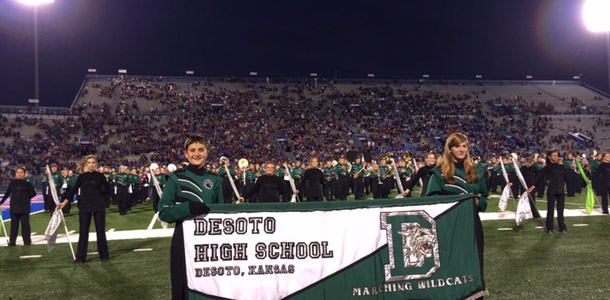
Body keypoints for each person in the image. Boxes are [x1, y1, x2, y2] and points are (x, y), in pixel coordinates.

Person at [158, 135, 223, 300]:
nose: (197, 154)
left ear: (207, 153)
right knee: (182, 284)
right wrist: (187, 208)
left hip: (209, 240)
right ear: (186, 154)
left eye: (201, 150)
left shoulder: (215, 180)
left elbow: (222, 213)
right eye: (192, 150)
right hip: (183, 239)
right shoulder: (175, 178)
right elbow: (164, 212)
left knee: (210, 284)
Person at [426, 133, 487, 296]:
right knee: (451, 266)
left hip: (473, 225)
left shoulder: (476, 171)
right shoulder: (439, 173)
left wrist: (477, 203)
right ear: (450, 149)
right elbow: (430, 200)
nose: (461, 149)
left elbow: (484, 198)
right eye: (457, 146)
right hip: (449, 227)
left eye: (464, 146)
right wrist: (453, 202)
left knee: (475, 265)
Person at [58, 155, 111, 263]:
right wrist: (64, 203)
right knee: (83, 232)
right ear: (86, 165)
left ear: (96, 164)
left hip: (98, 207)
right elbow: (73, 190)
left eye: (93, 162)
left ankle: (104, 256)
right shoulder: (82, 177)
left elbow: (108, 190)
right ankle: (80, 257)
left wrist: (100, 195)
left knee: (100, 232)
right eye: (89, 163)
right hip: (84, 207)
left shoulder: (101, 176)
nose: (91, 164)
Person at [528, 150, 569, 234]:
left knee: (560, 210)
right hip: (552, 190)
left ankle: (562, 227)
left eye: (557, 155)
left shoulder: (561, 166)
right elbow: (539, 177)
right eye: (554, 155)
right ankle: (550, 228)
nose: (556, 157)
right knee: (550, 210)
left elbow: (566, 177)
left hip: (561, 190)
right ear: (549, 157)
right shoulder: (547, 167)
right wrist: (533, 186)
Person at [1, 167, 36, 246]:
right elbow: (7, 193)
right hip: (14, 207)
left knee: (25, 226)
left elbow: (33, 193)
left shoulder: (27, 184)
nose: (19, 174)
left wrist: (26, 197)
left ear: (24, 174)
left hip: (24, 208)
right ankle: (12, 242)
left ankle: (27, 242)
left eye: (21, 172)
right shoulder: (12, 183)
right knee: (14, 226)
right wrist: (1, 202)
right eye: (17, 172)